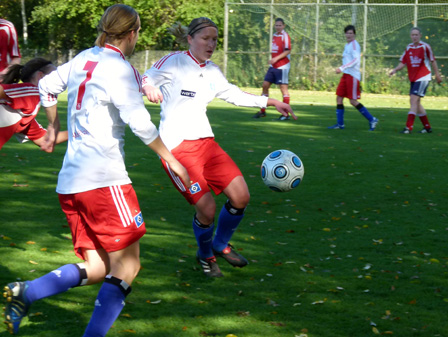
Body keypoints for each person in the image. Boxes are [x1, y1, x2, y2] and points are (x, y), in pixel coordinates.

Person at [3, 4, 190, 336]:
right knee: (128, 266)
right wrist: (172, 159)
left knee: (99, 266)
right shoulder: (120, 69)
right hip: (104, 181)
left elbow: (46, 87)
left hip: (71, 182)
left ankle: (26, 292)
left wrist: (52, 126)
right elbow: (139, 123)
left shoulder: (83, 58)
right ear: (131, 33)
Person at [142, 17, 295, 278]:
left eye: (215, 39)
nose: (211, 44)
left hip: (206, 143)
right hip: (177, 150)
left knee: (241, 196)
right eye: (205, 38)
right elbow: (147, 77)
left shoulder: (212, 70)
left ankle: (220, 244)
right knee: (207, 209)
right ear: (190, 39)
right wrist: (148, 87)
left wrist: (270, 101)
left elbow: (232, 94)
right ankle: (205, 255)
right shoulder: (174, 61)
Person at [0, 57, 68, 150]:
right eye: (55, 75)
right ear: (40, 76)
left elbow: (44, 140)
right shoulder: (32, 92)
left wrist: (81, 130)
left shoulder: (27, 113)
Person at [389, 26, 442, 134]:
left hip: (423, 77)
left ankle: (408, 128)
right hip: (413, 78)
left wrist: (437, 75)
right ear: (410, 36)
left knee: (413, 100)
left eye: (416, 35)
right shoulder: (408, 47)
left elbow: (433, 61)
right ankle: (427, 127)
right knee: (416, 104)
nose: (414, 37)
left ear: (420, 36)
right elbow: (403, 62)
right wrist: (395, 70)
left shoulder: (425, 47)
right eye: (413, 35)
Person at [328, 25, 379, 131]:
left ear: (354, 34)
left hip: (352, 76)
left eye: (351, 33)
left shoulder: (355, 45)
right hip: (346, 75)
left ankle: (372, 119)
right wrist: (343, 69)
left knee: (353, 101)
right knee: (339, 98)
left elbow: (355, 60)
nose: (349, 35)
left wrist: (342, 67)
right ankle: (340, 124)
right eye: (347, 33)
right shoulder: (347, 45)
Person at [253, 18, 292, 121]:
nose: (278, 27)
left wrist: (275, 58)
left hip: (282, 66)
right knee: (265, 85)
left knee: (283, 89)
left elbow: (287, 51)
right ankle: (262, 111)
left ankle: (285, 114)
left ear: (283, 26)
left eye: (280, 25)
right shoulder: (274, 35)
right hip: (273, 66)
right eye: (276, 25)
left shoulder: (285, 36)